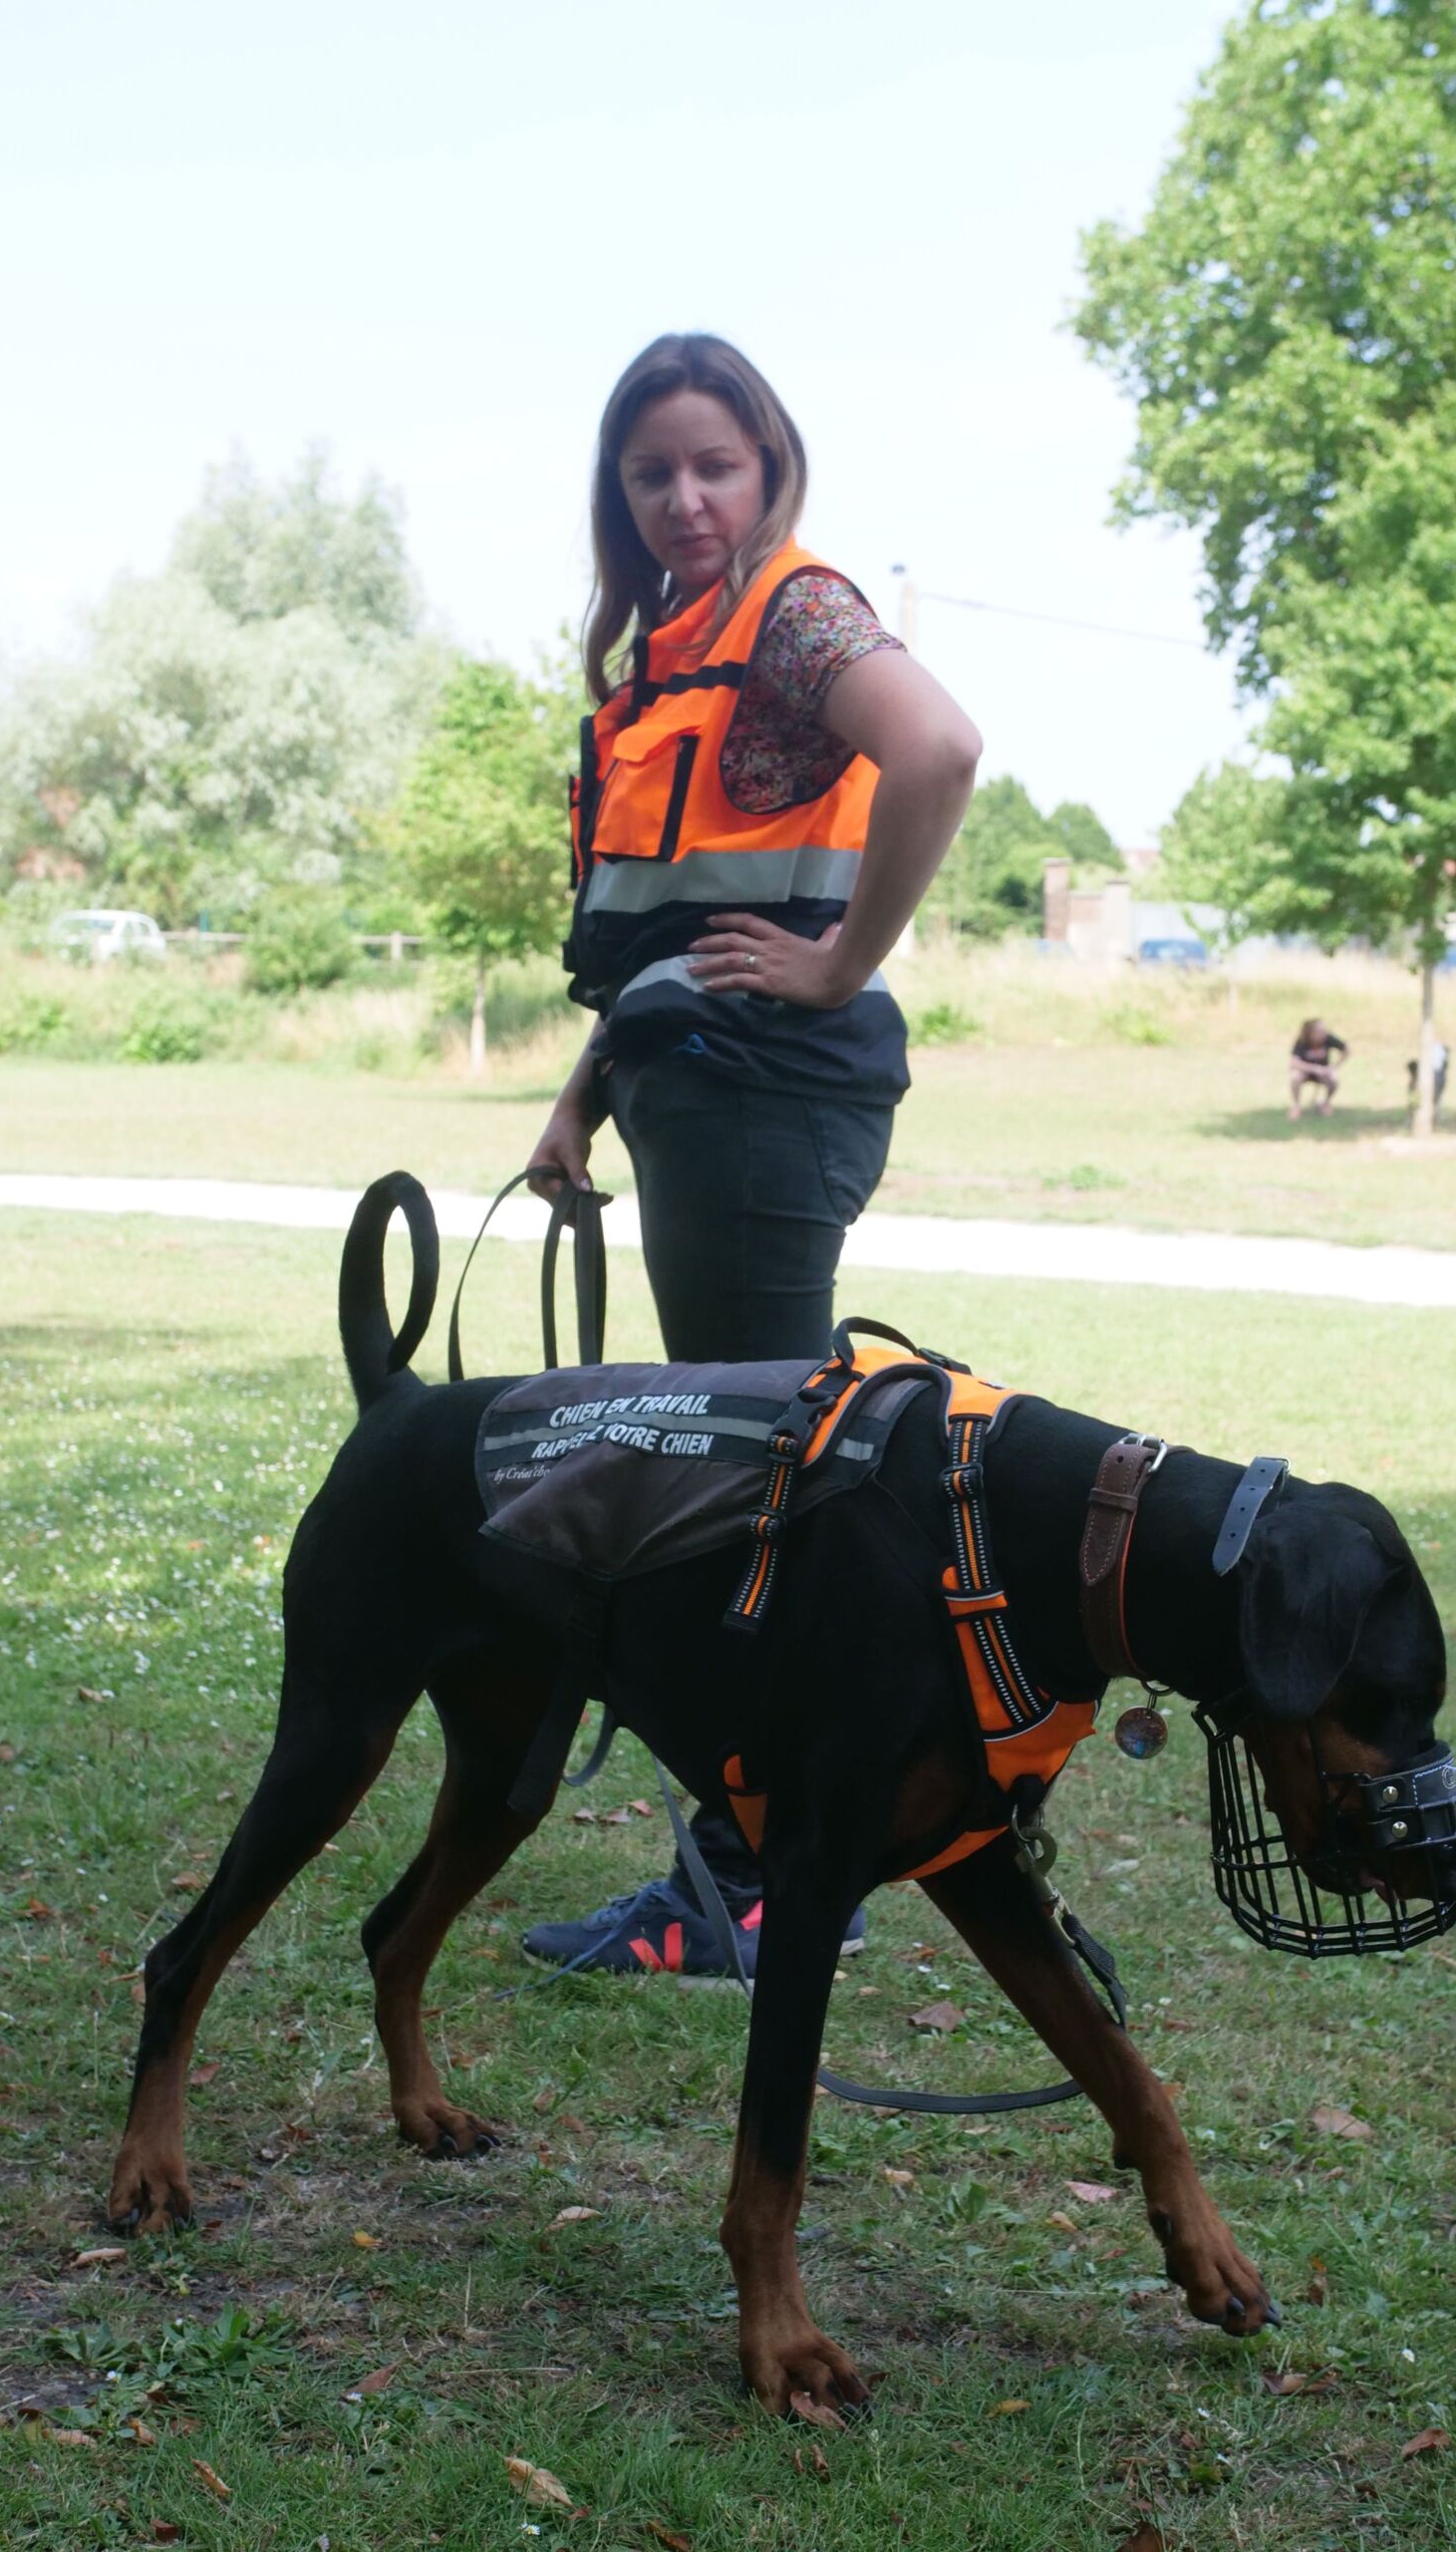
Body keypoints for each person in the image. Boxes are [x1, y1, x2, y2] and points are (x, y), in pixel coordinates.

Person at [519, 333, 981, 1978]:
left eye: (715, 463)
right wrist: (584, 1096)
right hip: (690, 1085)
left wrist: (841, 962)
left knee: (754, 1483)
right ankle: (762, 1860)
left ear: (769, 463)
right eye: (653, 474)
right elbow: (672, 921)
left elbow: (937, 749)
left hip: (770, 1085)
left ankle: (762, 1879)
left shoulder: (792, 612)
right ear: (619, 495)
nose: (685, 498)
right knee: (749, 1460)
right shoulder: (663, 649)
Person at [1288, 1016, 1347, 1118]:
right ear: (1311, 1033)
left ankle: (1326, 1103)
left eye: (1324, 1030)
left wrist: (1335, 1066)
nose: (1324, 1032)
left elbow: (1346, 1049)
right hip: (1306, 1071)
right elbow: (1294, 1062)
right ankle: (1296, 1106)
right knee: (1295, 1076)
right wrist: (1314, 1069)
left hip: (1324, 1072)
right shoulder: (1302, 1041)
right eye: (1320, 1030)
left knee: (1334, 1078)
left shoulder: (1328, 1038)